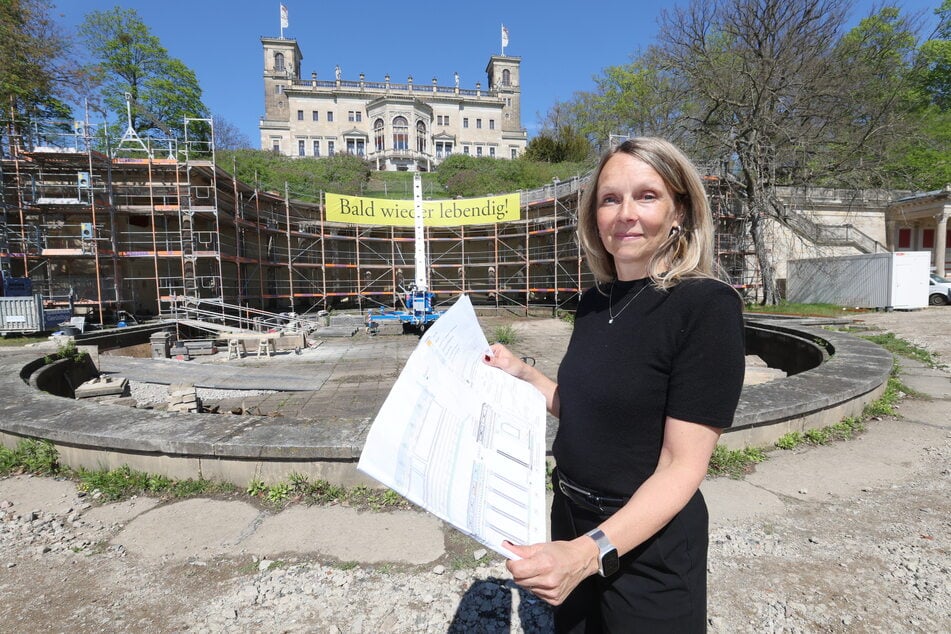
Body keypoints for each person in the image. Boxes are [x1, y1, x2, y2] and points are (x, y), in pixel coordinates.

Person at [484, 137, 746, 632]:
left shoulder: (706, 307)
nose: (626, 213)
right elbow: (585, 408)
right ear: (594, 217)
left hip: (648, 541)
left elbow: (681, 465)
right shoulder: (594, 302)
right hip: (570, 517)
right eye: (610, 198)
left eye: (646, 195)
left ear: (680, 212)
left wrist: (587, 555)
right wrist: (522, 373)